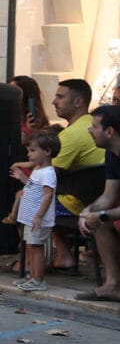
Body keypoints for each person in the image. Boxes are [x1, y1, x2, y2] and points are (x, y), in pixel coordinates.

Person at [44, 78, 106, 272]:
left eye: (60, 97)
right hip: (99, 198)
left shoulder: (71, 135)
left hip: (81, 203)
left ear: (78, 102)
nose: (54, 102)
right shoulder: (93, 127)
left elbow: (46, 175)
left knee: (27, 199)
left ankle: (59, 256)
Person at [78, 104, 120, 302]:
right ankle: (112, 285)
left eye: (94, 126)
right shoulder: (112, 154)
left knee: (102, 218)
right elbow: (108, 196)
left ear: (109, 131)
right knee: (98, 223)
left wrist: (102, 214)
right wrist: (88, 211)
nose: (90, 130)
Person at [9, 131, 59, 293]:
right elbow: (32, 187)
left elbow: (47, 195)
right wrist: (22, 177)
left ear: (47, 152)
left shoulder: (48, 173)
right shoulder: (39, 170)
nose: (29, 154)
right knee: (31, 246)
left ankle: (39, 279)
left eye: (33, 151)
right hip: (30, 217)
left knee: (36, 247)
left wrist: (39, 215)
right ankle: (33, 275)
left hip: (38, 218)